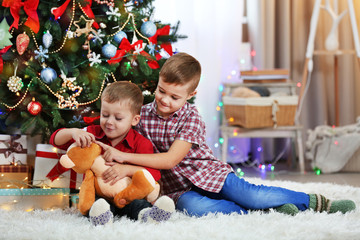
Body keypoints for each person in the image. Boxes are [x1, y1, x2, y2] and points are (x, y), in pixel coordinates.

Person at [96, 53, 356, 217]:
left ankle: (315, 202)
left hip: (210, 174)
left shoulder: (191, 117)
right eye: (162, 91)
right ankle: (269, 212)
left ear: (190, 95)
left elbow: (170, 160)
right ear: (158, 83)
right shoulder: (141, 116)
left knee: (252, 194)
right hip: (176, 189)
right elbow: (115, 134)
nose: (164, 100)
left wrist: (124, 160)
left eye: (175, 97)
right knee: (196, 209)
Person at [50, 81, 175, 225]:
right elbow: (55, 140)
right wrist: (73, 132)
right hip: (99, 194)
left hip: (128, 196)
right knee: (95, 204)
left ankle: (148, 216)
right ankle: (101, 218)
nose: (109, 122)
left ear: (134, 120)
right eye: (105, 115)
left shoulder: (141, 143)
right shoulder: (92, 133)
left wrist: (127, 169)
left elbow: (154, 174)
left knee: (139, 204)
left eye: (118, 118)